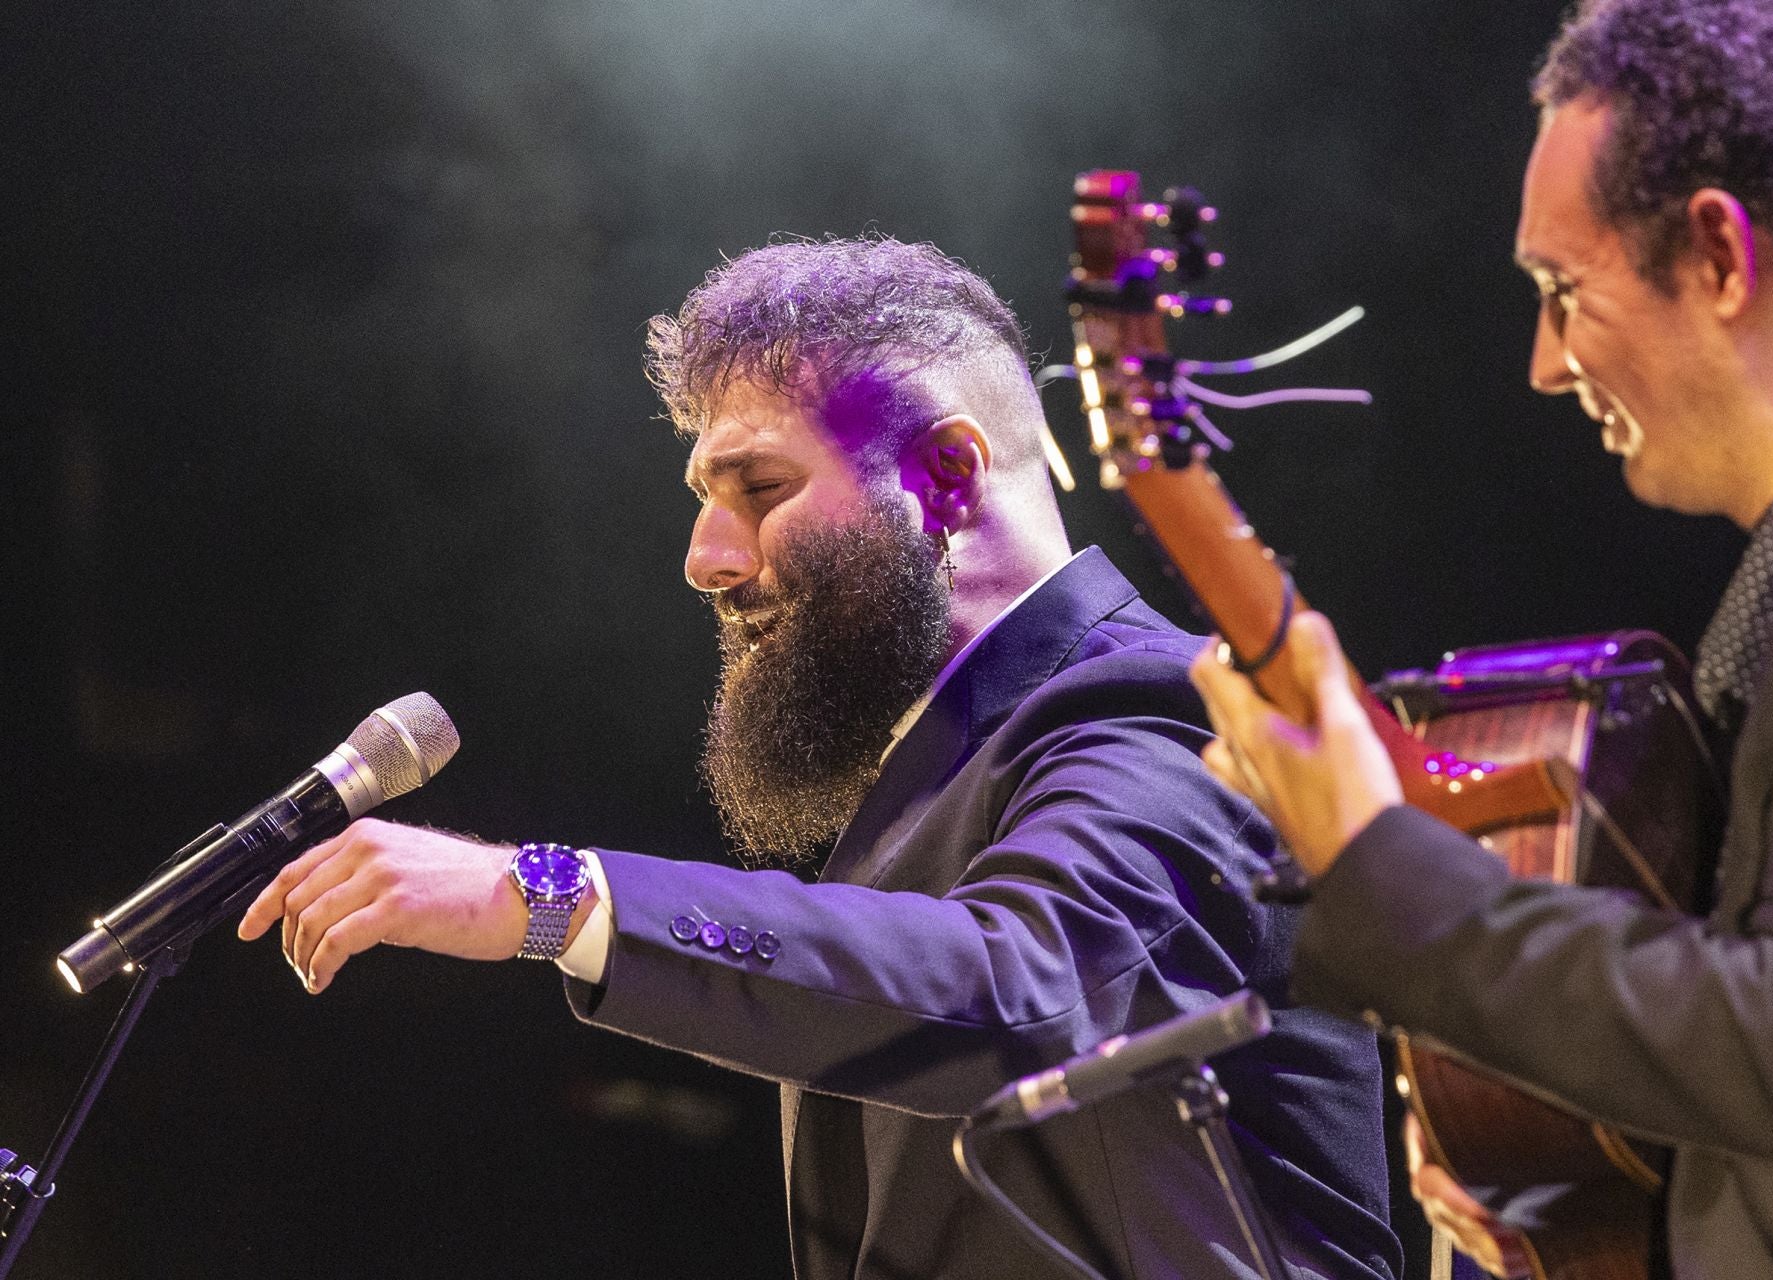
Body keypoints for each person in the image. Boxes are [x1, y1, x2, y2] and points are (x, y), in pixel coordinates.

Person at [237, 236, 1402, 1279]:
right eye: (706, 494)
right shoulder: (944, 764)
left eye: (762, 486)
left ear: (947, 476)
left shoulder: (1153, 704)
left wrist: (548, 891)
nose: (705, 555)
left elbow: (1018, 978)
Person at [1188, 1, 1773, 1278]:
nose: (1541, 361)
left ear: (1716, 254)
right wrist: (1591, 1198)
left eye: (1561, 290)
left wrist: (1379, 863)